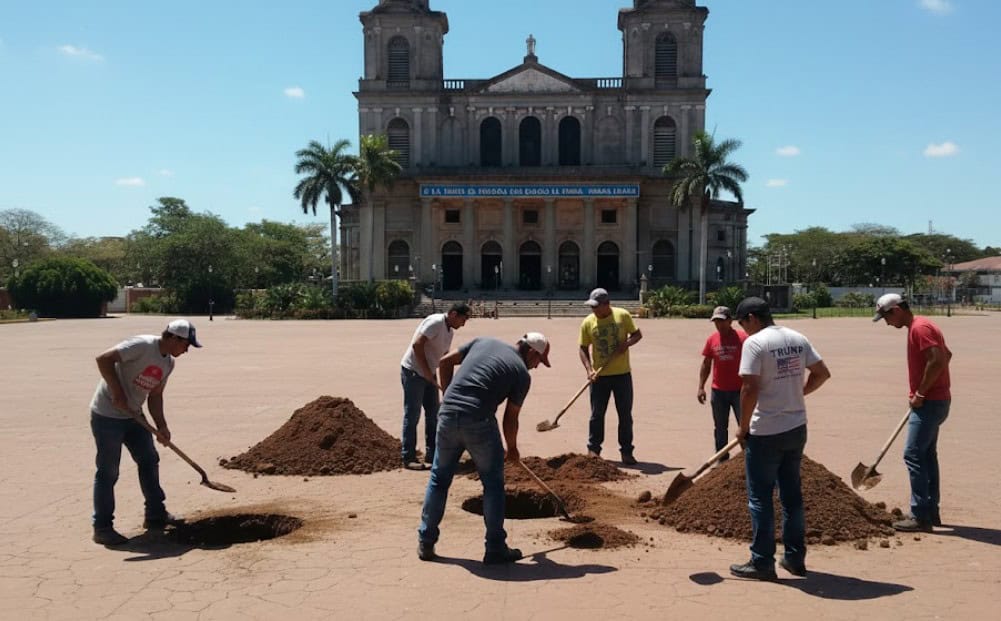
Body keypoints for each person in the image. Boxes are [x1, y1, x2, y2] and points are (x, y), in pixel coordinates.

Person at [417, 332, 551, 564]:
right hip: (479, 421)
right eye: (539, 360)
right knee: (493, 484)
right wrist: (512, 448)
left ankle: (426, 542)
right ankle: (496, 548)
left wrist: (448, 396)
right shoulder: (521, 373)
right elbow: (510, 418)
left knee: (439, 479)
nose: (537, 367)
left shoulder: (483, 342)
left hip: (447, 416)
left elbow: (445, 362)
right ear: (531, 352)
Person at [730, 297, 830, 580]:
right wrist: (798, 395)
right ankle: (795, 559)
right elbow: (822, 373)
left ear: (752, 318)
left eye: (742, 323)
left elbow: (748, 388)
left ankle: (762, 562)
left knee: (760, 498)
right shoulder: (797, 337)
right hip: (796, 426)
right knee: (792, 497)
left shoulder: (755, 343)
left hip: (766, 432)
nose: (743, 329)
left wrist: (742, 426)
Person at [90, 319, 202, 546]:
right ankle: (102, 527)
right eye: (186, 344)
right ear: (173, 338)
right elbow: (103, 360)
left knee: (149, 460)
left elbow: (155, 395)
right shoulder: (141, 345)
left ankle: (155, 515)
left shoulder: (168, 363)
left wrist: (161, 426)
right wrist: (117, 391)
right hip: (107, 416)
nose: (187, 350)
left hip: (134, 417)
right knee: (108, 472)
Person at [873, 293, 952, 532]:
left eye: (886, 317)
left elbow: (938, 360)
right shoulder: (922, 325)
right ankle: (931, 510)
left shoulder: (919, 328)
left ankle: (920, 515)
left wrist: (921, 393)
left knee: (913, 454)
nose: (887, 323)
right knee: (926, 455)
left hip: (930, 402)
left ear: (896, 310)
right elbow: (946, 355)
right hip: (936, 400)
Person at [399, 302, 471, 470]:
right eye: (463, 319)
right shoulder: (436, 322)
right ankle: (408, 457)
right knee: (413, 414)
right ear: (453, 314)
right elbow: (418, 345)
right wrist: (426, 372)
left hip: (429, 374)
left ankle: (433, 454)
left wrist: (448, 386)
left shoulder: (449, 332)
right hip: (413, 372)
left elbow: (444, 359)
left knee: (433, 414)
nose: (464, 323)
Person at [578, 287, 643, 465]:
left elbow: (637, 334)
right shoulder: (588, 322)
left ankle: (627, 451)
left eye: (596, 306)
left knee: (625, 414)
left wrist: (627, 344)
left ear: (607, 304)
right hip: (599, 378)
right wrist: (589, 370)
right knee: (597, 414)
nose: (593, 310)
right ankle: (593, 450)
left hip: (622, 375)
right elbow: (583, 348)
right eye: (591, 307)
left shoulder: (622, 316)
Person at [697, 306, 748, 459]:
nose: (719, 325)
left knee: (745, 427)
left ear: (730, 321)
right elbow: (706, 363)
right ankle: (722, 460)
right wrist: (701, 387)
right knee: (720, 428)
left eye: (722, 321)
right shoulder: (712, 339)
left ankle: (748, 459)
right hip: (718, 391)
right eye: (716, 322)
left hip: (740, 391)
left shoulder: (743, 338)